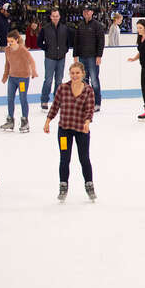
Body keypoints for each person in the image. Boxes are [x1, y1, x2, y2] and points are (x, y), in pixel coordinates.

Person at [43, 61, 96, 202]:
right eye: (72, 73)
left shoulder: (88, 90)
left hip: (81, 130)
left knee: (84, 158)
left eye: (77, 73)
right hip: (64, 130)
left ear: (83, 74)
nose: (75, 75)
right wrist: (48, 121)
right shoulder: (62, 88)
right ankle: (63, 186)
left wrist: (87, 122)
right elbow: (55, 106)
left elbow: (89, 109)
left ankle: (89, 185)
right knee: (64, 158)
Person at [0, 30, 38, 134]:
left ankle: (25, 121)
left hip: (22, 78)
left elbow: (31, 61)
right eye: (8, 41)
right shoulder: (7, 50)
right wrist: (5, 75)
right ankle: (10, 120)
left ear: (17, 40)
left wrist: (33, 71)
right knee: (10, 98)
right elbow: (7, 64)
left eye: (12, 41)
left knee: (22, 98)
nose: (10, 43)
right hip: (12, 78)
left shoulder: (22, 50)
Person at [39, 9, 73, 111]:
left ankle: (57, 100)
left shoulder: (64, 28)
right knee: (48, 80)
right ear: (50, 17)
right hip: (50, 58)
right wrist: (47, 49)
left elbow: (68, 42)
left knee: (59, 81)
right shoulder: (45, 28)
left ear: (59, 16)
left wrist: (64, 50)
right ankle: (44, 100)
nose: (55, 18)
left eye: (57, 16)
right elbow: (39, 42)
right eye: (53, 16)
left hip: (61, 58)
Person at [73, 5, 105, 112]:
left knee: (94, 80)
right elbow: (76, 42)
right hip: (82, 57)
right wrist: (75, 55)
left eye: (88, 11)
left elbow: (101, 41)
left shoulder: (97, 25)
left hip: (93, 57)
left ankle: (97, 102)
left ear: (92, 12)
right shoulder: (80, 25)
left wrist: (99, 56)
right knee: (83, 81)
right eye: (84, 11)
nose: (86, 13)